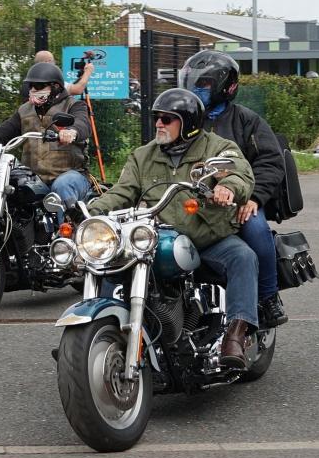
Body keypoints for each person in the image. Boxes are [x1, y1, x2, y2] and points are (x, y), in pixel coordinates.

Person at [86, 88, 259, 366]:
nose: (158, 124)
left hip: (206, 237)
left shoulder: (216, 148)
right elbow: (122, 192)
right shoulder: (143, 156)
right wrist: (90, 212)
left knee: (243, 257)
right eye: (157, 118)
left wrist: (227, 187)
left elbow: (240, 173)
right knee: (111, 262)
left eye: (167, 119)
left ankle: (236, 335)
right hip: (157, 238)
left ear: (188, 124)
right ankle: (99, 337)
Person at [179, 50, 288, 328]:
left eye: (202, 85)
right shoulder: (183, 119)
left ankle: (268, 296)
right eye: (192, 84)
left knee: (255, 228)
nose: (195, 91)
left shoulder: (246, 120)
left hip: (239, 199)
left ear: (226, 86)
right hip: (190, 199)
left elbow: (271, 162)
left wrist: (253, 197)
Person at [0, 62, 93, 214]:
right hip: (35, 178)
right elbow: (0, 133)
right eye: (31, 86)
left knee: (63, 185)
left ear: (55, 87)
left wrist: (71, 131)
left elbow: (82, 123)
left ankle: (67, 234)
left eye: (39, 86)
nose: (33, 90)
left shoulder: (74, 105)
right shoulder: (24, 111)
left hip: (71, 175)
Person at [27, 50, 94, 98]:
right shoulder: (51, 80)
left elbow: (69, 89)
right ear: (48, 61)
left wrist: (82, 76)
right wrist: (88, 72)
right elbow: (77, 90)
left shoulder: (30, 82)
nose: (54, 63)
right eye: (53, 60)